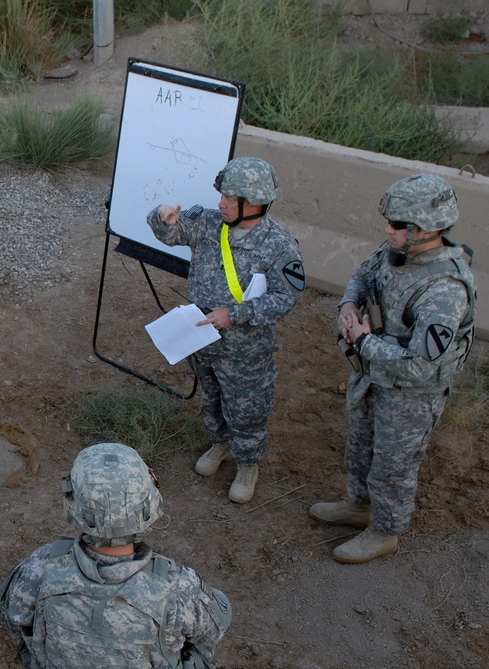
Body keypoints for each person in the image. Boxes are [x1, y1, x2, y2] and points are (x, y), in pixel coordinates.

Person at [310, 174, 476, 564]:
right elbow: (363, 275)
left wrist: (364, 342)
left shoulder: (445, 289)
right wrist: (349, 305)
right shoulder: (396, 251)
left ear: (426, 230)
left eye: (398, 225)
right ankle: (360, 506)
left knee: (393, 466)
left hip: (410, 396)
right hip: (375, 377)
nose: (388, 230)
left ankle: (386, 531)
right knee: (361, 449)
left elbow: (420, 364)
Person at [148, 157, 305, 503]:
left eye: (229, 199)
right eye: (221, 196)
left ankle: (248, 464)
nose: (220, 203)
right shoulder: (207, 222)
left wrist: (235, 315)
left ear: (252, 204)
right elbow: (173, 233)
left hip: (246, 349)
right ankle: (219, 444)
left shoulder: (279, 245)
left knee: (247, 406)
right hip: (202, 339)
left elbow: (285, 297)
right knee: (212, 395)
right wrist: (162, 219)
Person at [0, 442, 232, 668]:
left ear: (73, 507)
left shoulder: (38, 570)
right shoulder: (180, 591)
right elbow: (211, 634)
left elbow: (15, 623)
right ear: (149, 505)